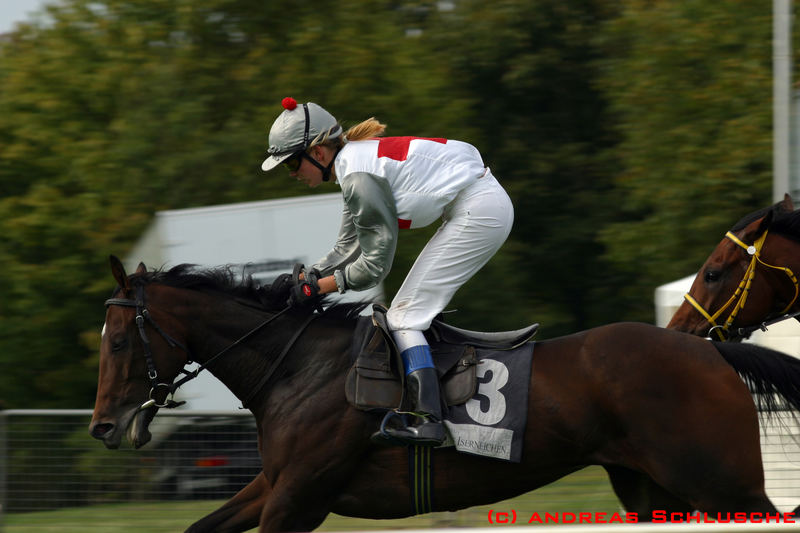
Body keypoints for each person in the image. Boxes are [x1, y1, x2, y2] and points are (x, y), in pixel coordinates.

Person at [261, 97, 514, 446]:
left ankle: (430, 420)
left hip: (480, 212)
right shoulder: (353, 165)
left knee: (404, 317)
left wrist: (320, 288)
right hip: (478, 205)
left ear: (318, 153)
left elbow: (375, 267)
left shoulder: (358, 177)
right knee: (406, 313)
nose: (292, 174)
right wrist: (311, 274)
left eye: (292, 164)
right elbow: (348, 245)